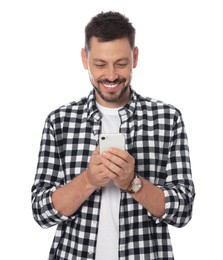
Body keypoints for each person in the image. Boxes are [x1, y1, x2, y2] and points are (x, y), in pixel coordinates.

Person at [31, 11, 195, 260]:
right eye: (100, 64)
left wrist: (133, 183)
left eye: (121, 63)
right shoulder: (60, 121)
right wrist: (88, 180)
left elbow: (182, 210)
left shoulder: (167, 118)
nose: (110, 75)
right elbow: (41, 212)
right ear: (85, 58)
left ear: (135, 57)